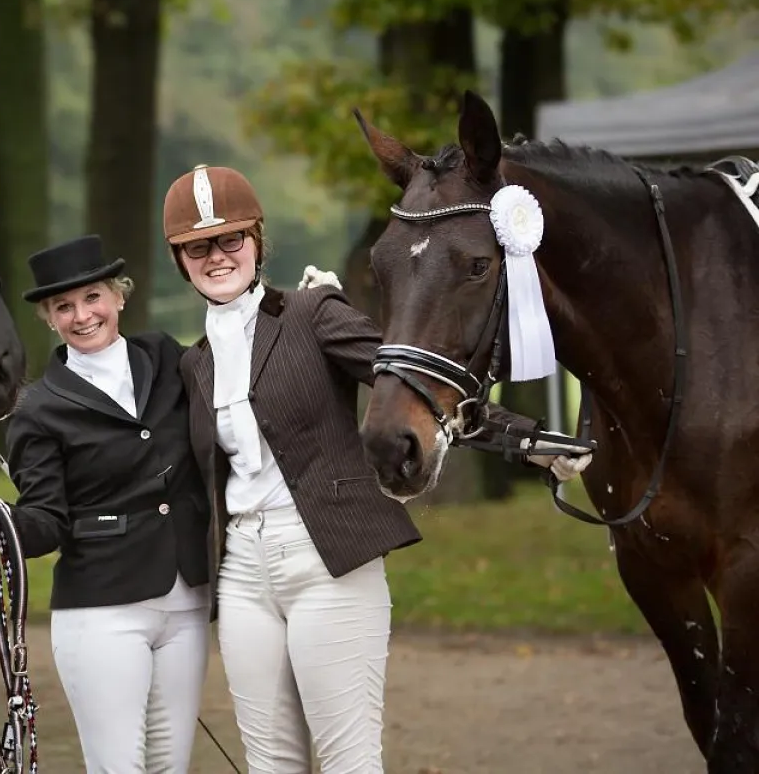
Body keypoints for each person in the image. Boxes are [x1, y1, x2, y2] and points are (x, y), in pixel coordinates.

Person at [161, 163, 593, 773]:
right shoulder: (192, 364)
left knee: (348, 759)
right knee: (268, 762)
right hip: (242, 574)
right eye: (197, 247)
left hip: (326, 561)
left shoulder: (312, 313)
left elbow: (415, 380)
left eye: (231, 239)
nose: (217, 257)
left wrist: (526, 441)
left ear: (258, 240)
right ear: (180, 260)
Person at [0, 233, 340, 773]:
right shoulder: (39, 410)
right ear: (48, 318)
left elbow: (245, 374)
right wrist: (1, 517)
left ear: (119, 297)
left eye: (93, 298)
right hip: (102, 609)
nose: (82, 316)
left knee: (170, 766)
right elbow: (46, 523)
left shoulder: (166, 357)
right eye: (64, 307)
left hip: (186, 601)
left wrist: (302, 315)